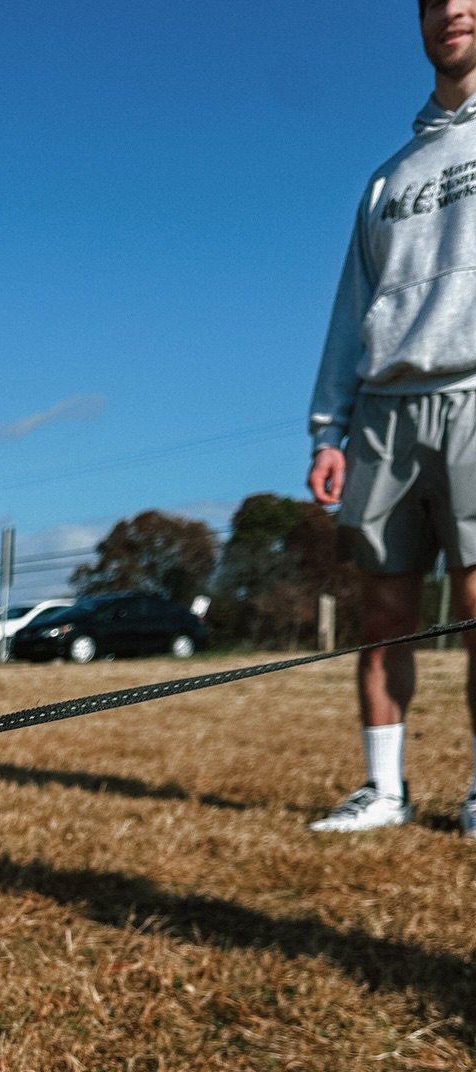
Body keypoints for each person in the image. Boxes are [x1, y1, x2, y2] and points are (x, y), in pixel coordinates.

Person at [307, 0, 476, 836]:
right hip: (383, 410)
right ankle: (384, 789)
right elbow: (352, 309)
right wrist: (327, 427)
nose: (453, 9)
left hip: (475, 392)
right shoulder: (388, 176)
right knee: (383, 609)